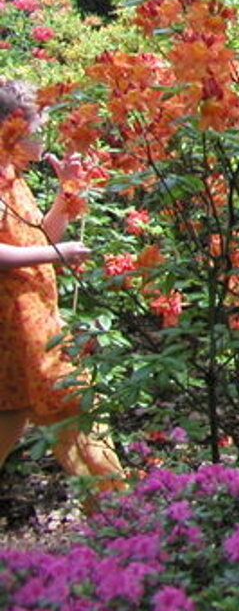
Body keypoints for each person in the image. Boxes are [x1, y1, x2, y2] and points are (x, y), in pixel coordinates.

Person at [0, 78, 124, 505]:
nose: (44, 133)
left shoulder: (12, 176)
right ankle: (123, 524)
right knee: (77, 411)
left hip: (34, 323)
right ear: (12, 125)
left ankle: (119, 521)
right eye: (39, 123)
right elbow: (39, 253)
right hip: (19, 332)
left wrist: (67, 189)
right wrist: (57, 255)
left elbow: (41, 241)